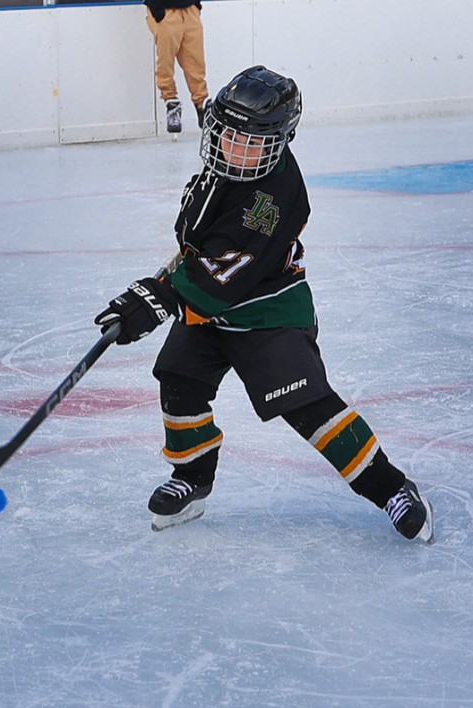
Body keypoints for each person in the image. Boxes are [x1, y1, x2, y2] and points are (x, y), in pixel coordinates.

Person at [93, 65, 435, 542]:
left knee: (307, 407)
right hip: (212, 304)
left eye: (250, 142)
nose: (235, 147)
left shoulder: (273, 196)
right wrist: (151, 291)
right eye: (228, 133)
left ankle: (392, 488)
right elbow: (198, 247)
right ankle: (192, 478)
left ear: (278, 140)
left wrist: (164, 297)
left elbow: (228, 270)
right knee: (178, 379)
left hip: (265, 312)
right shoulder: (220, 170)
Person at [145, 0, 208, 135]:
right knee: (166, 62)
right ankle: (171, 102)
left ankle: (202, 106)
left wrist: (196, 5)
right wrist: (157, 9)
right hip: (165, 11)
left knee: (196, 62)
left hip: (190, 10)